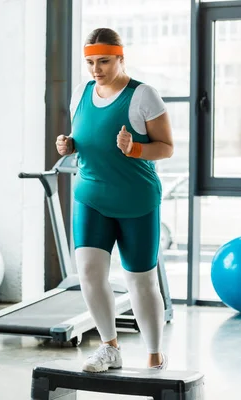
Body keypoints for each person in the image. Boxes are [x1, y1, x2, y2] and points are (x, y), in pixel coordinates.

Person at [55, 28, 174, 373]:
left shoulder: (143, 95)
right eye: (90, 62)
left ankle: (154, 353)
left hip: (136, 200)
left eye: (104, 61)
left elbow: (166, 147)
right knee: (90, 274)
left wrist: (134, 148)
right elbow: (85, 138)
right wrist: (69, 146)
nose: (96, 69)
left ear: (121, 58)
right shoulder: (82, 93)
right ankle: (110, 348)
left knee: (140, 280)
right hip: (90, 196)